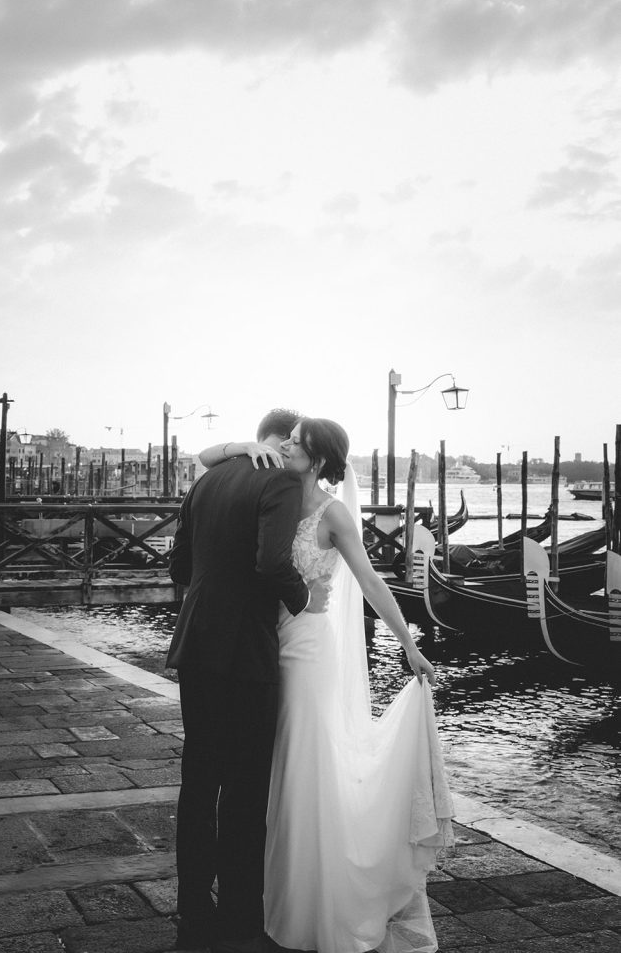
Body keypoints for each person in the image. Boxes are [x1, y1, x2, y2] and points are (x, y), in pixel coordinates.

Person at [203, 417, 454, 953]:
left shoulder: (333, 513)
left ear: (317, 459)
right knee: (265, 772)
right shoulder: (267, 487)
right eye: (287, 436)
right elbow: (208, 460)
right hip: (261, 647)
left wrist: (409, 645)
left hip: (309, 653)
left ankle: (312, 902)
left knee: (301, 763)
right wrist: (240, 445)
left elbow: (369, 579)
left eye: (297, 441)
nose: (286, 444)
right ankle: (265, 895)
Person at [166, 408, 331, 953]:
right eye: (294, 442)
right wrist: (305, 600)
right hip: (246, 651)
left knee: (199, 778)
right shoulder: (279, 478)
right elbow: (270, 562)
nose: (292, 452)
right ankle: (240, 912)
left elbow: (179, 566)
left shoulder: (209, 478)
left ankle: (193, 905)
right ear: (285, 440)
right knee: (245, 786)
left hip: (195, 640)